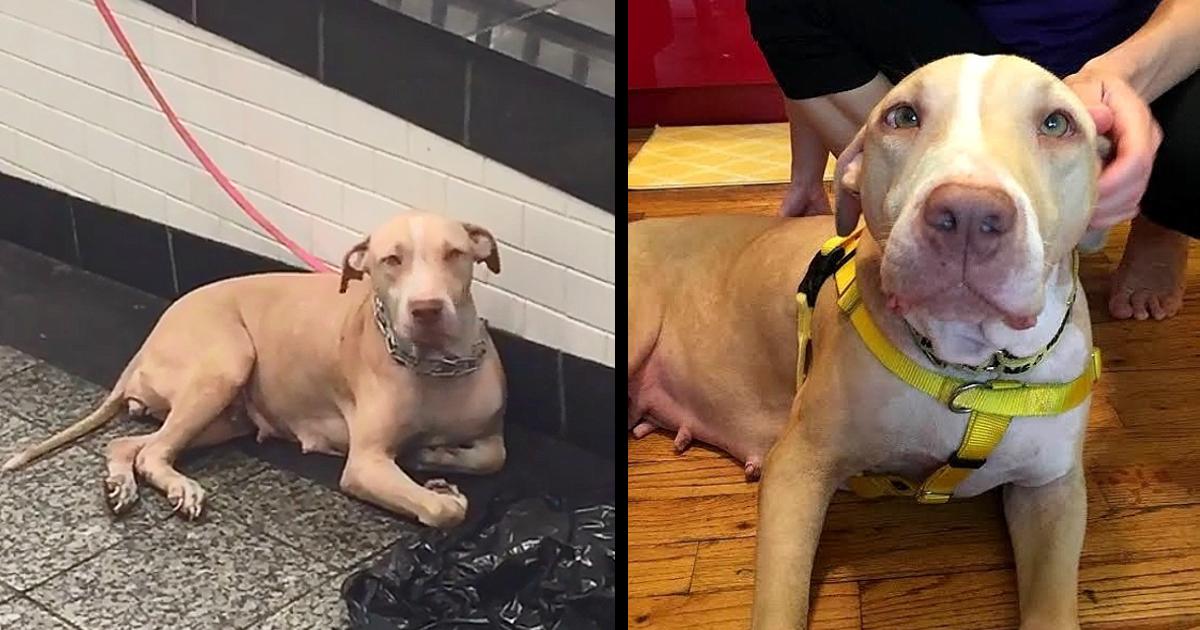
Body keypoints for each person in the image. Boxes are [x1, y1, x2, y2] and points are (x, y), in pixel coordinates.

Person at [746, 0, 1200, 320]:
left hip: (1150, 45)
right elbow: (805, 46)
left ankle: (1160, 223)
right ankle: (915, 214)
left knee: (1188, 159)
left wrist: (1116, 76)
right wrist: (806, 174)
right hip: (975, 49)